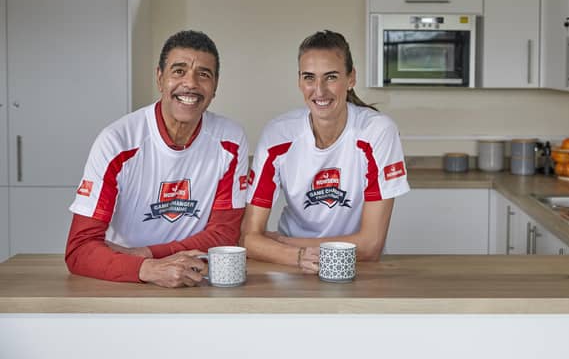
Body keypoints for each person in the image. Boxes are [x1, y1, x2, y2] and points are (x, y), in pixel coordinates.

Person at [65, 30, 248, 287]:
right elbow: (79, 250)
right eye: (178, 71)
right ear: (160, 78)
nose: (191, 83)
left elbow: (224, 234)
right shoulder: (117, 141)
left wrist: (149, 254)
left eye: (203, 74)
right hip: (125, 278)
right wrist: (147, 268)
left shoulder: (231, 139)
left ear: (215, 87)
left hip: (196, 279)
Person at [240, 30, 410, 273]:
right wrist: (295, 256)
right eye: (309, 77)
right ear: (299, 81)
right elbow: (248, 237)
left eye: (330, 77)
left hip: (356, 268)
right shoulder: (277, 134)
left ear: (351, 78)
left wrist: (285, 245)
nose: (319, 90)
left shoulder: (378, 131)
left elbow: (371, 246)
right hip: (291, 267)